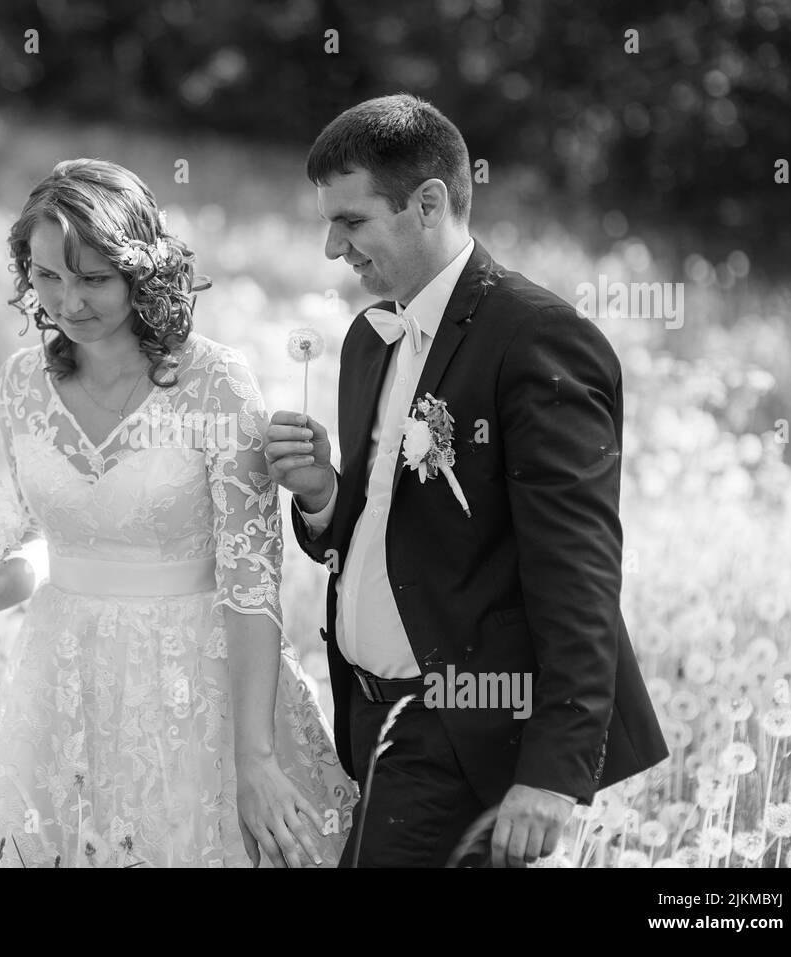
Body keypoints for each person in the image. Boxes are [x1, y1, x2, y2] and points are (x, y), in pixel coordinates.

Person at [266, 94, 669, 867]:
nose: (329, 248)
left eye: (350, 222)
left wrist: (554, 774)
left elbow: (580, 570)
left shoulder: (537, 338)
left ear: (428, 203)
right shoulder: (368, 339)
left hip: (464, 729)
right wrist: (323, 496)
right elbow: (398, 530)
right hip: (367, 728)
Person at [0, 158, 354, 867]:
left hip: (196, 695)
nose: (68, 301)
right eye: (45, 276)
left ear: (141, 272)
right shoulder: (19, 385)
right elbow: (46, 542)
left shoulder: (215, 382)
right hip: (64, 689)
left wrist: (254, 759)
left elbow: (251, 583)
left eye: (93, 278)